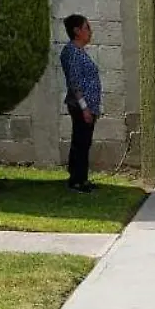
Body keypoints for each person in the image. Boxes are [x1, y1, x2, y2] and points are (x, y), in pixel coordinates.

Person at [61, 14, 102, 193]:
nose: (90, 32)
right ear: (77, 31)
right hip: (80, 107)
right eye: (87, 28)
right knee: (80, 142)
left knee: (84, 142)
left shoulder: (80, 51)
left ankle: (82, 178)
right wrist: (85, 107)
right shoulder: (72, 53)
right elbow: (75, 82)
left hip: (89, 107)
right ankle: (76, 180)